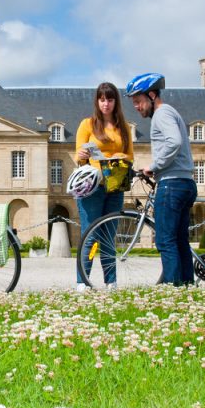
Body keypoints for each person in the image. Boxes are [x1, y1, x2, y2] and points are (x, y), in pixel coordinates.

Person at [126, 72, 196, 285]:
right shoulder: (169, 112)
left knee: (165, 240)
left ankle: (173, 291)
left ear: (152, 95)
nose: (137, 107)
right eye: (134, 103)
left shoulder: (162, 114)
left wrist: (154, 166)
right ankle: (186, 287)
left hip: (172, 184)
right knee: (180, 241)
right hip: (185, 183)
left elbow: (173, 142)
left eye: (138, 101)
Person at [73, 82, 134, 289]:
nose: (105, 104)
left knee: (108, 236)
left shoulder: (123, 127)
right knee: (90, 236)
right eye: (102, 99)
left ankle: (111, 283)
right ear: (97, 101)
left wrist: (121, 155)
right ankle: (83, 282)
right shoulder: (87, 124)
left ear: (115, 101)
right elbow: (79, 158)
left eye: (109, 99)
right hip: (93, 186)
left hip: (115, 185)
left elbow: (131, 157)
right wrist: (81, 155)